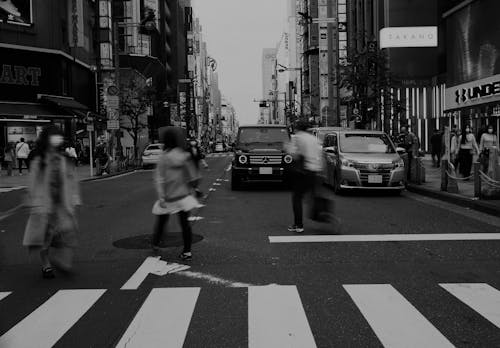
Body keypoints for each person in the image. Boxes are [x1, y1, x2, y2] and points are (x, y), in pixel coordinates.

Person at [22, 125, 81, 279]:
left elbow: (72, 180)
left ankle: (62, 261)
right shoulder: (39, 160)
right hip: (44, 204)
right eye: (54, 136)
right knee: (44, 237)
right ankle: (46, 265)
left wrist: (74, 199)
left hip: (62, 204)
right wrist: (32, 200)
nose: (57, 139)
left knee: (67, 233)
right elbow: (32, 182)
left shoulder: (64, 159)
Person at [152, 127, 202, 260]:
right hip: (183, 196)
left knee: (162, 221)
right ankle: (187, 251)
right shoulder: (184, 156)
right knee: (185, 224)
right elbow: (193, 176)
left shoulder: (163, 157)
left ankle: (156, 243)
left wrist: (161, 196)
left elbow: (159, 178)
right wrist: (195, 188)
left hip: (168, 196)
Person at [287, 120, 323, 233]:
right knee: (313, 197)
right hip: (315, 171)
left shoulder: (297, 137)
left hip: (303, 171)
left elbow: (294, 155)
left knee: (297, 197)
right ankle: (325, 218)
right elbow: (321, 156)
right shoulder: (314, 139)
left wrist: (287, 147)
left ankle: (298, 225)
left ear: (298, 128)